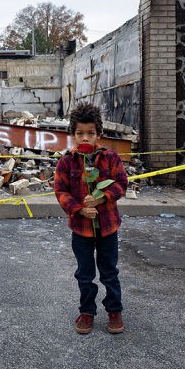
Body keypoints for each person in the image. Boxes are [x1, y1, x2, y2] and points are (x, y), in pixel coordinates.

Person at [54, 103, 128, 334]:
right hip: (81, 228)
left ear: (98, 134)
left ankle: (114, 310)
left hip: (107, 227)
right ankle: (87, 312)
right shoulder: (67, 162)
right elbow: (61, 191)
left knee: (109, 272)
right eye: (80, 133)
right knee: (84, 274)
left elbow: (121, 184)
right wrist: (80, 209)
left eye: (90, 133)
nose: (85, 138)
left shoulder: (110, 158)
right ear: (72, 134)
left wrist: (102, 198)